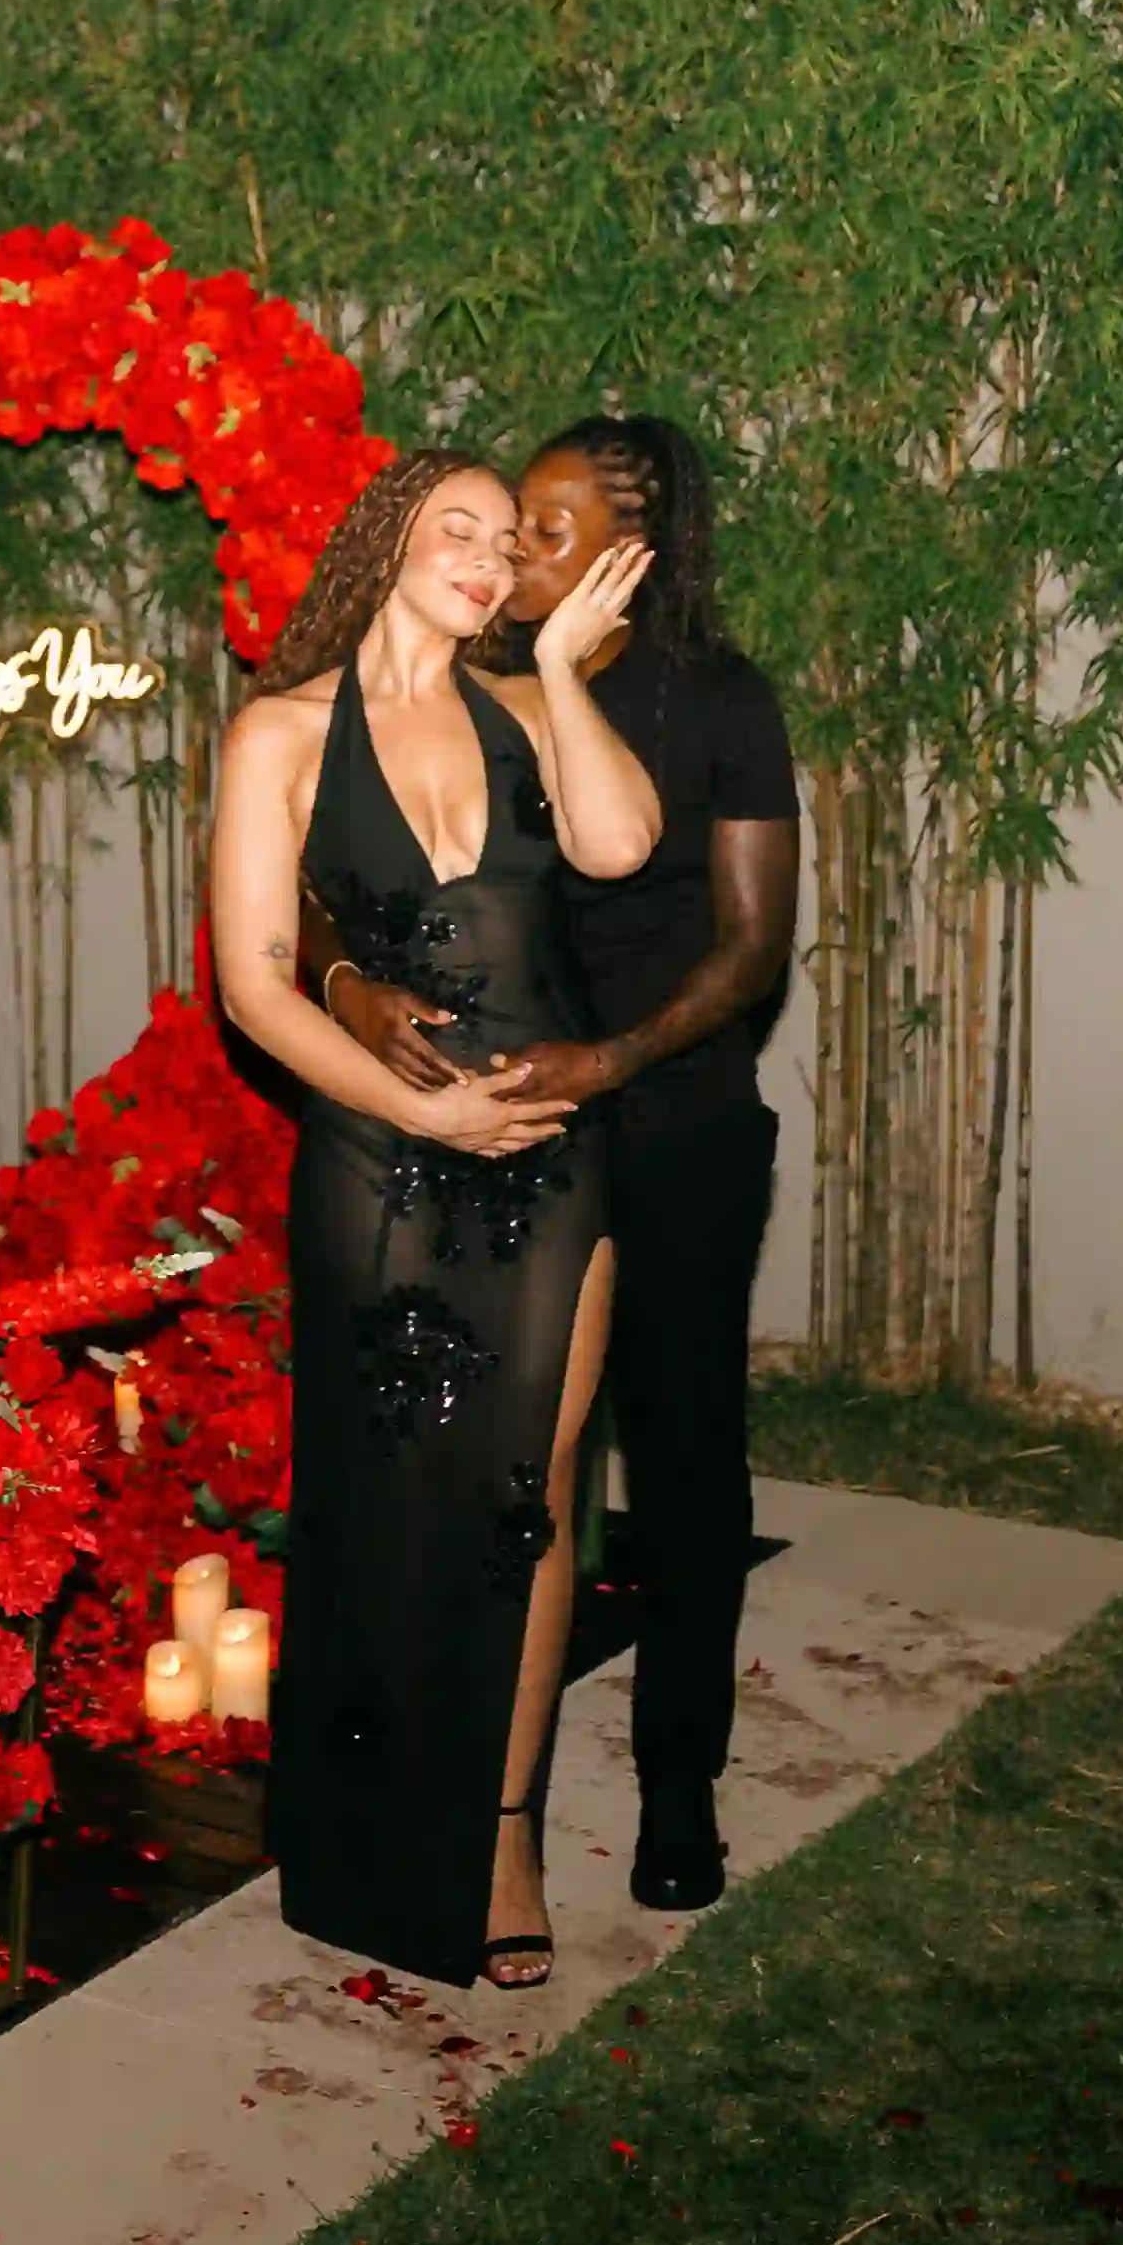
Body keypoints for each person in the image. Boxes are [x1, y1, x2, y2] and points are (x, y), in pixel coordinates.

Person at [314, 415, 797, 1911]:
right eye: (508, 519)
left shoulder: (715, 699)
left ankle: (679, 1789)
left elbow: (751, 948)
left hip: (674, 1120)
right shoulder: (470, 685)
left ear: (634, 548)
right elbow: (335, 872)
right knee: (519, 1471)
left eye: (553, 523)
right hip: (504, 1132)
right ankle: (461, 1784)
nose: (517, 547)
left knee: (686, 1458)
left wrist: (608, 1061)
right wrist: (344, 986)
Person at [208, 448, 661, 1990]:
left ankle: (506, 1833)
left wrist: (555, 665)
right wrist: (421, 1111)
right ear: (386, 539)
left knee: (526, 1499)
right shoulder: (280, 732)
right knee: (379, 1499)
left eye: (502, 541)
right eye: (451, 528)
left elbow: (618, 847)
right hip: (377, 1162)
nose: (482, 555)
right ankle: (362, 1832)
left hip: (547, 1154)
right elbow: (254, 983)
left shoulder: (532, 706)